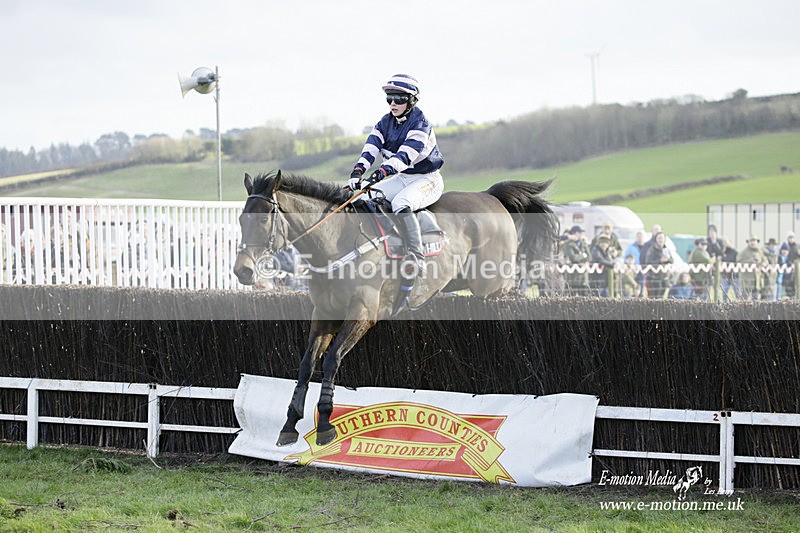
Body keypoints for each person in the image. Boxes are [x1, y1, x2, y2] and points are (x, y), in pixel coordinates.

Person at [348, 74, 444, 274]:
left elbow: (404, 158)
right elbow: (370, 149)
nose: (393, 103)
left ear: (411, 101)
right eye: (389, 98)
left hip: (427, 179)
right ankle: (385, 243)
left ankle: (417, 257)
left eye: (398, 99)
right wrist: (357, 172)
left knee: (401, 202)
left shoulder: (420, 123)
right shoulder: (385, 122)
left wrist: (380, 173)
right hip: (402, 178)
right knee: (365, 197)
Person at [562, 225, 591, 295]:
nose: (581, 234)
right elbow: (573, 258)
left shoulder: (584, 243)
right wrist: (583, 255)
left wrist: (584, 259)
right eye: (580, 232)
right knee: (570, 298)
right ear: (575, 233)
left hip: (583, 277)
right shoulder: (568, 244)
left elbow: (590, 257)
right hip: (572, 277)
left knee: (584, 297)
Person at [736, 235, 767, 300]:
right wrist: (749, 261)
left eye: (754, 241)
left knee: (755, 302)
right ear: (748, 242)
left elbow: (765, 261)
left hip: (757, 281)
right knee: (744, 301)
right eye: (751, 241)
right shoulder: (743, 252)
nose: (753, 243)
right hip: (746, 282)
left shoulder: (759, 251)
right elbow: (738, 262)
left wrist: (764, 263)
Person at [644, 231, 673, 298]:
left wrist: (667, 259)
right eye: (659, 238)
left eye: (662, 238)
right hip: (654, 277)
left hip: (665, 277)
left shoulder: (666, 249)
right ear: (656, 239)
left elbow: (672, 260)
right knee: (654, 297)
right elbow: (648, 262)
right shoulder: (652, 249)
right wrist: (660, 260)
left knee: (662, 296)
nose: (661, 240)